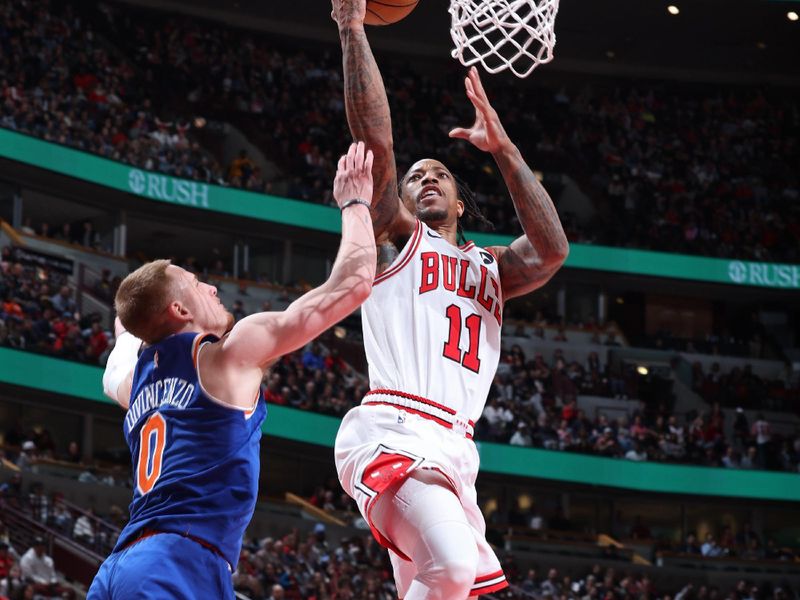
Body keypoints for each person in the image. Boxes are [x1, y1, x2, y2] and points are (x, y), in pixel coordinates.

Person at [331, 3, 569, 598]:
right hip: (395, 424)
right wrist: (353, 29)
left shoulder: (492, 268)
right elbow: (377, 148)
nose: (427, 178)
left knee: (446, 586)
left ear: (461, 202)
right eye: (415, 177)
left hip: (457, 446)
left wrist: (504, 149)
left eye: (439, 172)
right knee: (453, 570)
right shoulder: (398, 239)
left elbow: (553, 249)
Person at [87, 142, 377, 599]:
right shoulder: (228, 355)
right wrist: (356, 202)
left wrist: (135, 313)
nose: (212, 285)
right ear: (180, 309)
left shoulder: (134, 382)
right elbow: (354, 284)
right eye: (196, 283)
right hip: (178, 563)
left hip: (119, 569)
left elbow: (121, 344)